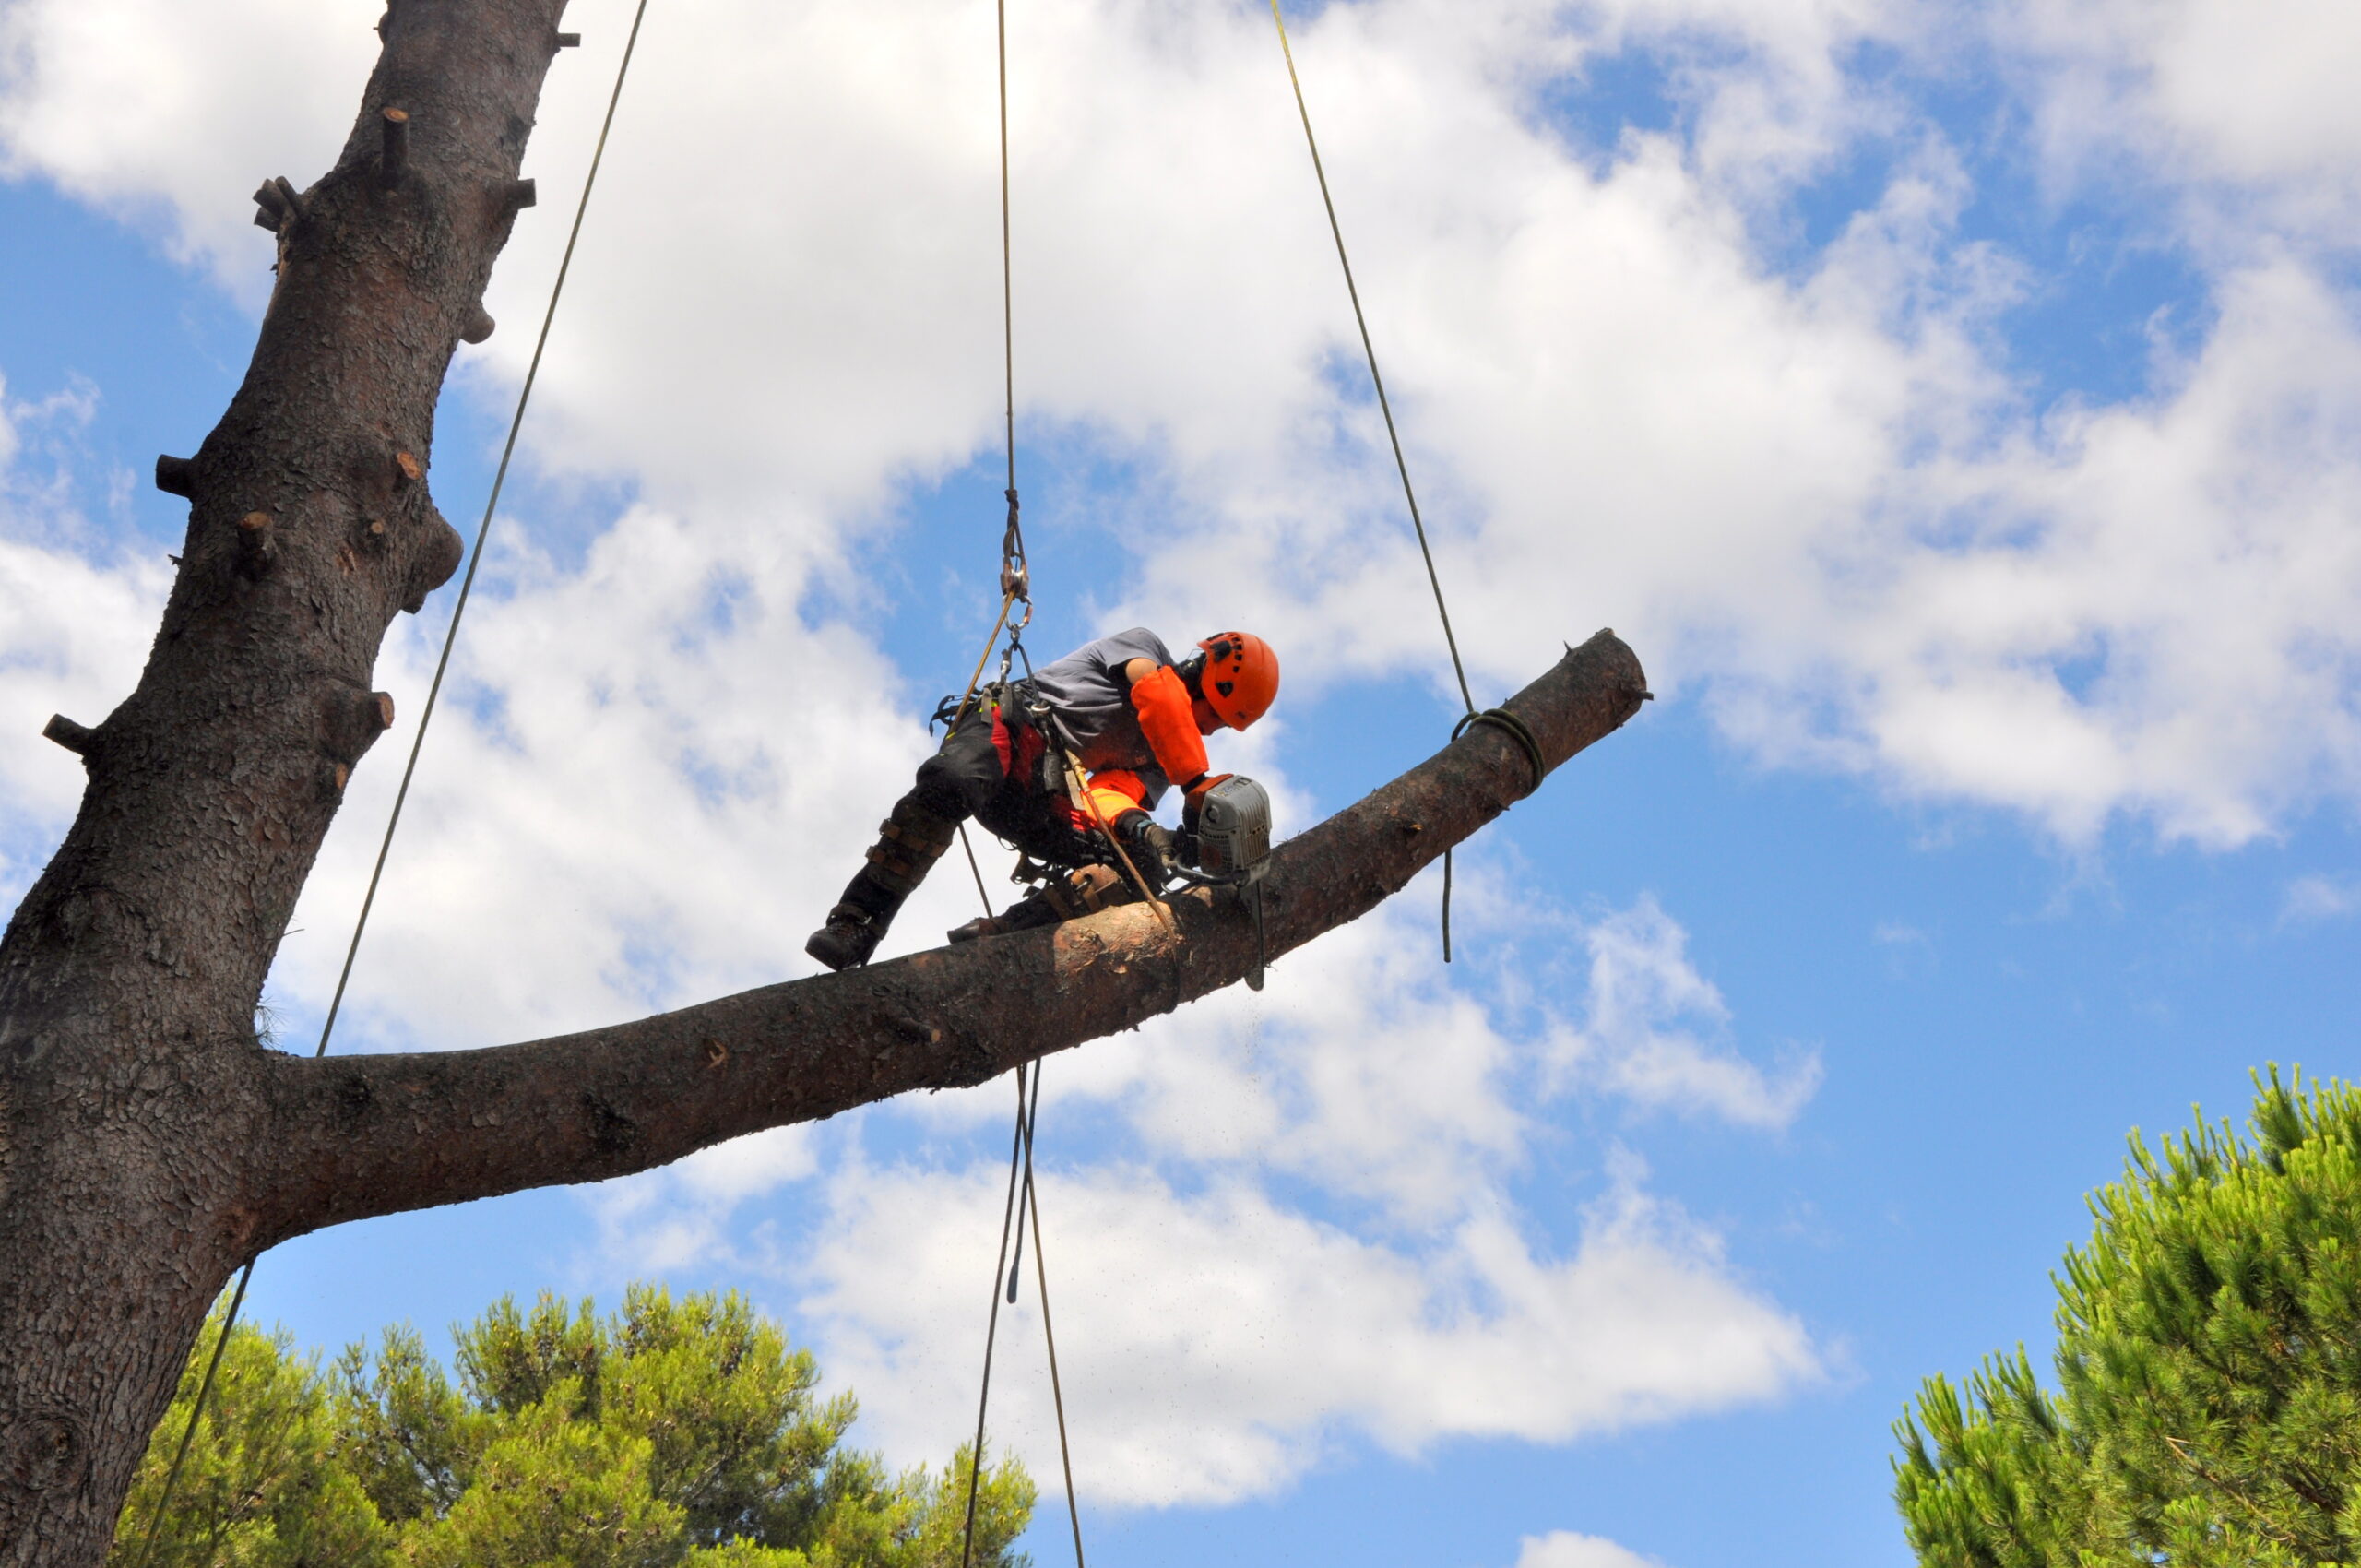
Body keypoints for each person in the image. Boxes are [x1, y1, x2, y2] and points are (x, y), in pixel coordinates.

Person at [803, 628, 1279, 971]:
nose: (1209, 729)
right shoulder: (1144, 651)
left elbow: (1109, 798)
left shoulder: (1162, 758)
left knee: (1141, 870)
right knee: (952, 780)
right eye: (1212, 715)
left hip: (1041, 799)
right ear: (1201, 675)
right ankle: (857, 922)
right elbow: (1158, 696)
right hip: (1009, 737)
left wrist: (1147, 833)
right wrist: (1196, 781)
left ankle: (1004, 939)